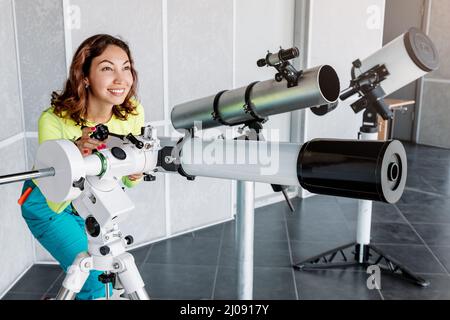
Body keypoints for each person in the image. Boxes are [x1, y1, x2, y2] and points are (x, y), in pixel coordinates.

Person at [19, 34, 145, 300]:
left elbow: (131, 181)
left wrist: (135, 171)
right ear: (84, 75)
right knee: (93, 282)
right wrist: (75, 151)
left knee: (117, 278)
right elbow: (56, 192)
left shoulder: (133, 112)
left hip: (95, 201)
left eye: (126, 68)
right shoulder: (53, 119)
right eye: (107, 68)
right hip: (52, 204)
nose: (121, 79)